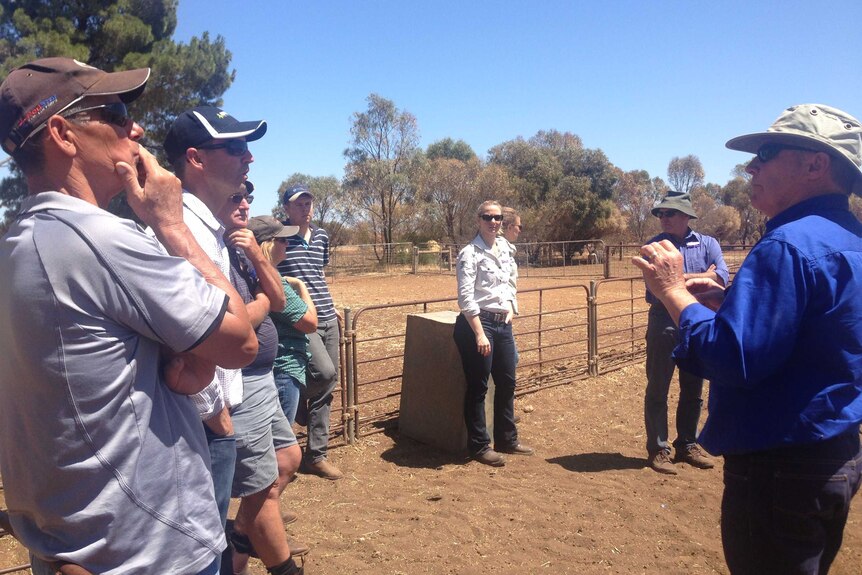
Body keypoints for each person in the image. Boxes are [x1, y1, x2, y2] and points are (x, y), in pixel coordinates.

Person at [0, 57, 258, 575]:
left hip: (75, 540)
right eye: (116, 113)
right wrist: (171, 223)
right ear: (62, 133)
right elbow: (240, 341)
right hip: (153, 549)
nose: (135, 128)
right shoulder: (97, 239)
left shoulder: (17, 240)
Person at [633, 104, 862, 574]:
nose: (752, 165)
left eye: (768, 152)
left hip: (779, 466)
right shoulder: (849, 239)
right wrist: (730, 304)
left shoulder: (787, 245)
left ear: (816, 164)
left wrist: (674, 292)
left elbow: (731, 358)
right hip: (833, 455)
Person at [165, 110, 303, 575]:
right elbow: (189, 331)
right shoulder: (180, 229)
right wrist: (214, 411)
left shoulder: (209, 232)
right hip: (216, 412)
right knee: (202, 542)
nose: (248, 156)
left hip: (230, 400)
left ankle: (241, 547)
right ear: (195, 159)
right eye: (233, 147)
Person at [642, 191, 728, 475]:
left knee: (694, 387)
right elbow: (657, 286)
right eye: (660, 214)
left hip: (697, 321)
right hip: (663, 320)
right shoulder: (653, 248)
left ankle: (687, 443)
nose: (663, 218)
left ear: (686, 217)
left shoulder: (709, 243)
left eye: (669, 213)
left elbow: (722, 277)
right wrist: (702, 276)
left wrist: (678, 281)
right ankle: (658, 449)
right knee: (658, 386)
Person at [453, 200, 533, 467]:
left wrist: (511, 307)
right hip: (480, 324)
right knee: (479, 385)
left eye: (497, 217)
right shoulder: (469, 253)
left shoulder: (504, 250)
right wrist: (479, 332)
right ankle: (479, 445)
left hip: (502, 324)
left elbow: (510, 282)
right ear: (478, 220)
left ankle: (506, 438)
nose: (493, 222)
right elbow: (465, 297)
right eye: (487, 217)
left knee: (507, 381)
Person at [278, 184, 344, 480]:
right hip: (302, 317)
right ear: (286, 208)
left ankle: (316, 455)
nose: (305, 208)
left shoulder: (321, 236)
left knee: (329, 382)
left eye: (308, 202)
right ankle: (302, 410)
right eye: (298, 203)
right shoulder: (279, 237)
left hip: (328, 314)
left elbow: (319, 272)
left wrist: (333, 306)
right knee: (325, 374)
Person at [250, 216, 318, 426]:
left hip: (274, 366)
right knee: (281, 440)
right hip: (284, 367)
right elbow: (310, 322)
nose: (287, 243)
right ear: (267, 245)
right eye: (282, 240)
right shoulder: (273, 280)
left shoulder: (254, 275)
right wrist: (302, 286)